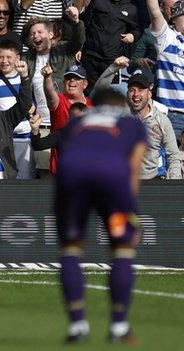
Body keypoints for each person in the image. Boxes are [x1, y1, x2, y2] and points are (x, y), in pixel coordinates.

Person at [54, 88, 147, 345]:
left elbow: (65, 151)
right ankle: (119, 327)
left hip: (72, 173)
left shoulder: (78, 121)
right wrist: (132, 212)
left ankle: (77, 325)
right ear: (120, 106)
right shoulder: (131, 123)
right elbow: (133, 168)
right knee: (122, 248)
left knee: (71, 247)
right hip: (112, 175)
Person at [24, 9, 84, 177]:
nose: (35, 35)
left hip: (65, 124)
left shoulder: (64, 52)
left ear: (50, 34)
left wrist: (76, 21)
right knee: (45, 176)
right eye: (32, 33)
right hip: (43, 125)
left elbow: (78, 40)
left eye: (39, 32)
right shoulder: (27, 58)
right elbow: (24, 90)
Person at [0, 40, 35, 179]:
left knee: (25, 181)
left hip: (25, 138)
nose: (4, 61)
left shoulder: (26, 79)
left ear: (17, 58)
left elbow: (33, 104)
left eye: (8, 57)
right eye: (0, 57)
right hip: (3, 138)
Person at [126, 68, 182, 179]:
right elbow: (99, 92)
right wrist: (112, 68)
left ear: (149, 94)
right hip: (124, 182)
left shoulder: (162, 120)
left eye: (141, 89)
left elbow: (173, 156)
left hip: (152, 182)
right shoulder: (120, 117)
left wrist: (174, 186)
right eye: (132, 90)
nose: (136, 94)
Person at [78, 0, 141, 91]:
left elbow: (137, 30)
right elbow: (85, 24)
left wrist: (132, 36)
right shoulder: (98, 1)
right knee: (88, 91)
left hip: (112, 61)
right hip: (91, 56)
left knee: (109, 94)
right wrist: (80, 48)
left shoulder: (131, 8)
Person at [42, 64, 93, 174]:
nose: (72, 81)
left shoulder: (91, 104)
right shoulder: (59, 100)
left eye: (77, 78)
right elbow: (50, 94)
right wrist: (47, 78)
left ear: (85, 84)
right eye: (68, 78)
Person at [148, 0, 184, 145]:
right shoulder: (167, 38)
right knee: (169, 164)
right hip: (171, 116)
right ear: (175, 19)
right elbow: (155, 12)